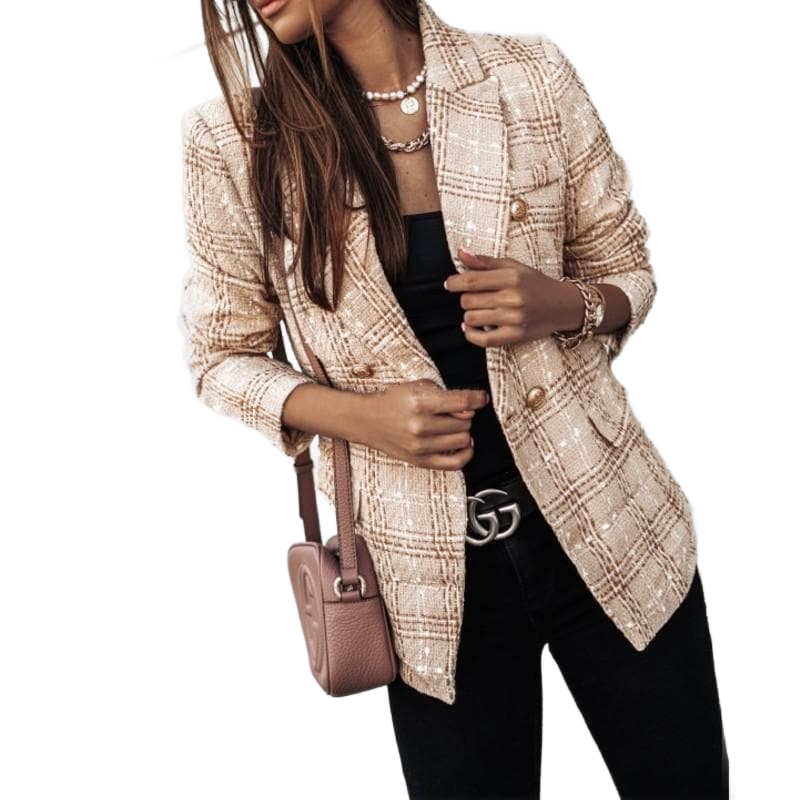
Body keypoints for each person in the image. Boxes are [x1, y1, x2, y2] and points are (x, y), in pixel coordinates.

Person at [177, 0, 731, 796]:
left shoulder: (527, 77)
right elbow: (220, 358)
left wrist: (562, 304)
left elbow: (627, 272)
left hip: (611, 528)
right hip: (427, 586)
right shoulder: (235, 141)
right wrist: (363, 420)